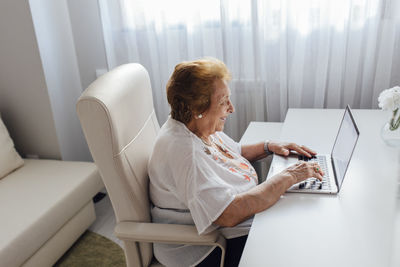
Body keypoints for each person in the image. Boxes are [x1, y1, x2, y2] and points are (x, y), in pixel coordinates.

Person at [148, 57, 324, 267]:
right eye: (223, 102)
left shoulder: (196, 126)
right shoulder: (186, 153)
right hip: (207, 249)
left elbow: (234, 153)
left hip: (230, 229)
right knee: (298, 244)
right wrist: (290, 176)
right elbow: (228, 214)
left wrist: (269, 146)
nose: (231, 108)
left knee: (301, 225)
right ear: (198, 109)